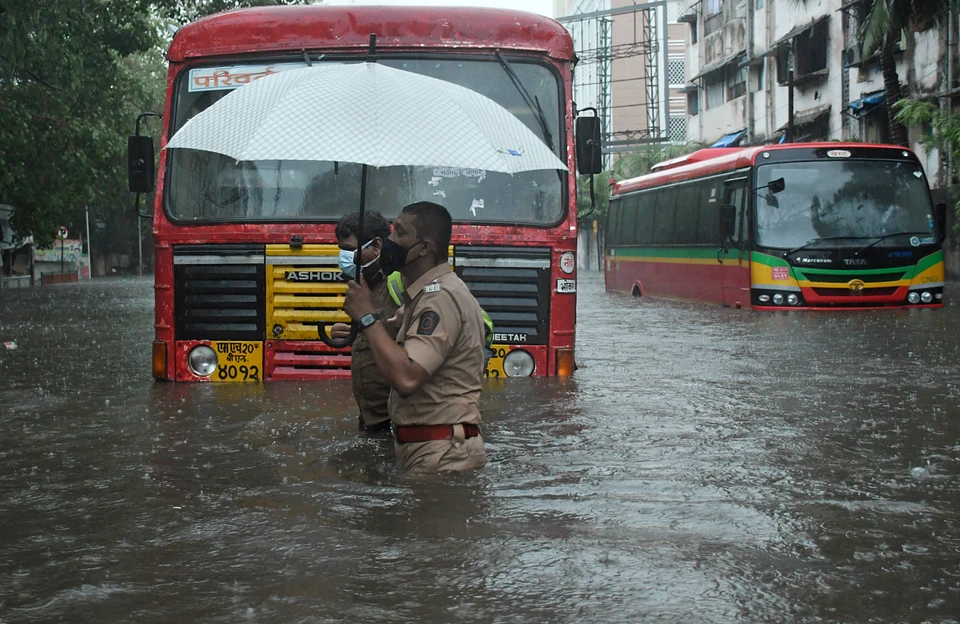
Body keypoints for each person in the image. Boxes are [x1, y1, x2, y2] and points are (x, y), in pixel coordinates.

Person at [343, 201, 486, 472]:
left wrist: (368, 317)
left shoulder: (440, 298)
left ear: (424, 248)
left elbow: (408, 377)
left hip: (442, 456)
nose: (390, 241)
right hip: (429, 450)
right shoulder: (424, 296)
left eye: (400, 233)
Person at [330, 211, 399, 433]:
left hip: (399, 420)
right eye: (341, 250)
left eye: (350, 250)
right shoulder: (361, 287)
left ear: (377, 246)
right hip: (372, 420)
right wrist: (353, 335)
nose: (344, 257)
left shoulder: (399, 281)